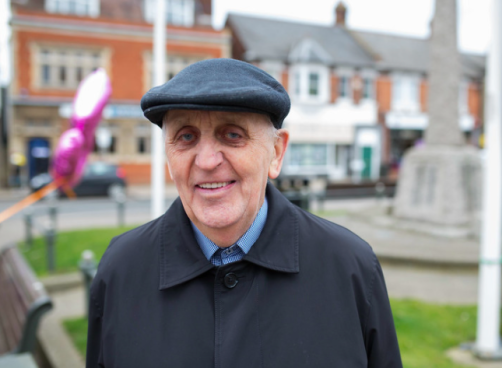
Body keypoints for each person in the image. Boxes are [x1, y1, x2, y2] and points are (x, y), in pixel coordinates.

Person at [86, 58, 402, 368]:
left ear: (276, 153)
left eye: (233, 134)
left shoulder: (351, 269)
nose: (207, 161)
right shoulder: (121, 271)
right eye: (186, 136)